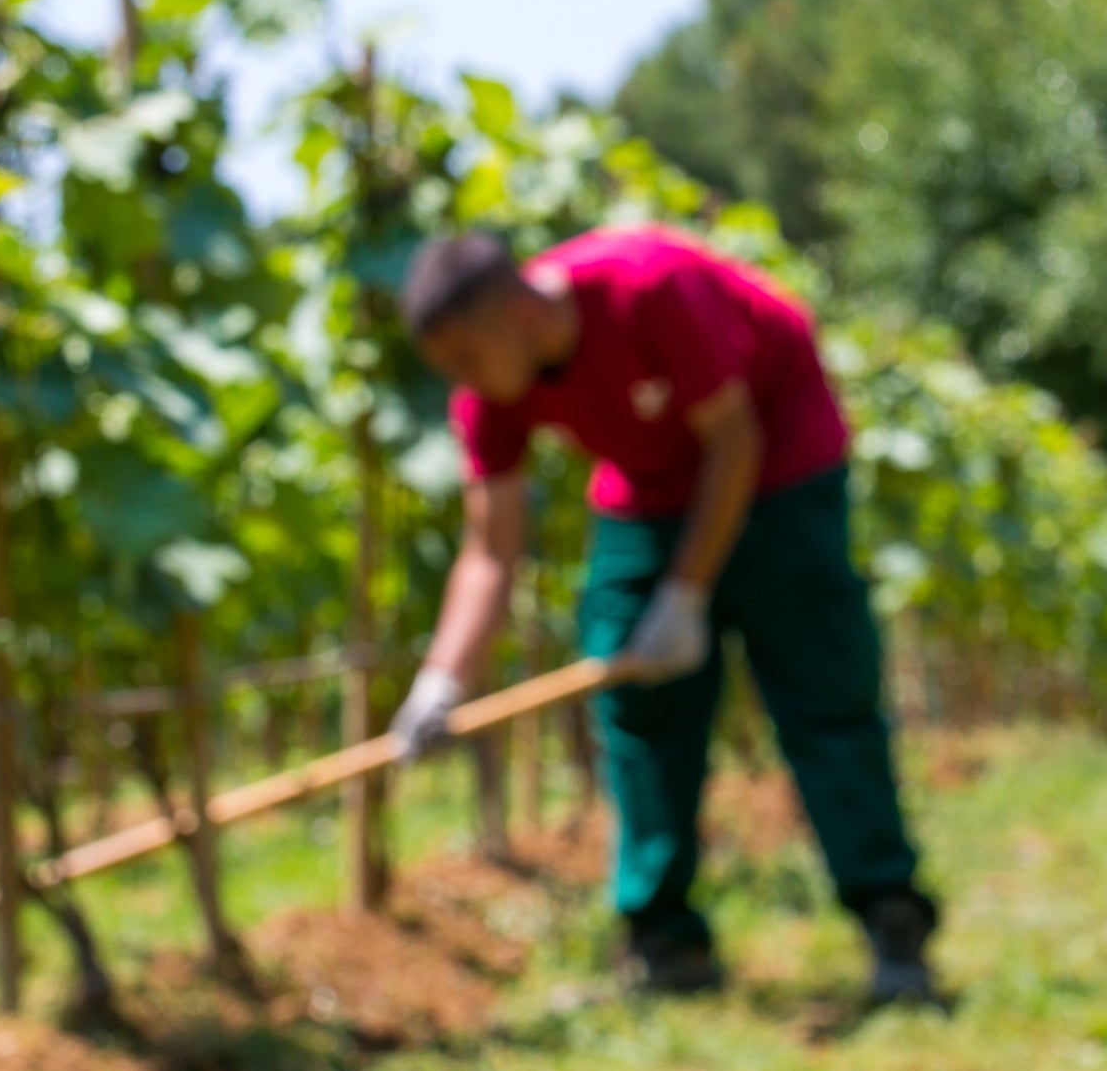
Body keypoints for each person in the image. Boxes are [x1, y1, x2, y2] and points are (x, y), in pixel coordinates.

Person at [388, 223, 939, 1002]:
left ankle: (891, 918)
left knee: (821, 685)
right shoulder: (492, 391)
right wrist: (442, 681)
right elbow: (491, 547)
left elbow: (735, 444)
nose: (462, 382)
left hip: (777, 458)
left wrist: (684, 597)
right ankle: (664, 942)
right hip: (650, 484)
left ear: (523, 317)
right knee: (637, 699)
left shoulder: (648, 288)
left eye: (467, 360)